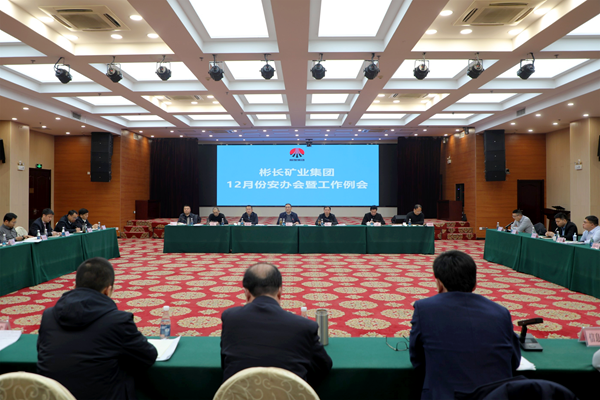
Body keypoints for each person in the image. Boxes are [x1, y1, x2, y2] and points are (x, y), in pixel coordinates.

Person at [37, 257, 158, 400]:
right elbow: (148, 356)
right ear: (108, 291)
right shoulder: (118, 321)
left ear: (75, 287)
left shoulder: (48, 316)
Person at [409, 250, 521, 400]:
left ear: (439, 283)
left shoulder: (424, 309)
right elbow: (514, 361)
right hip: (495, 395)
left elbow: (417, 359)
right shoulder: (501, 312)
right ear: (475, 284)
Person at [220, 263, 332, 387]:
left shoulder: (230, 318)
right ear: (280, 291)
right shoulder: (304, 326)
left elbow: (225, 363)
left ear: (246, 293)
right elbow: (323, 367)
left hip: (239, 394)